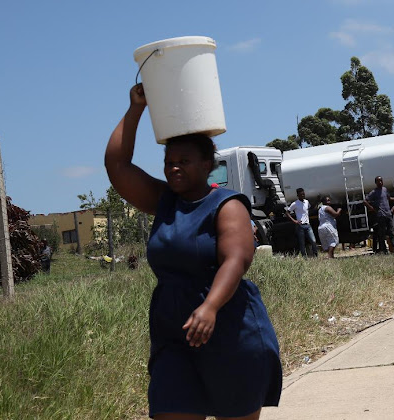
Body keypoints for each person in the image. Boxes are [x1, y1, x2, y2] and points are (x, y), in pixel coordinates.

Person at [105, 84, 281, 419]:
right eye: (169, 162)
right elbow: (117, 165)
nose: (173, 168)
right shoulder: (163, 201)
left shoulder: (226, 204)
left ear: (206, 165)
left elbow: (237, 259)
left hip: (229, 329)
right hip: (173, 333)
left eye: (183, 161)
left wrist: (210, 306)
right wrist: (135, 108)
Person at [364, 176, 394, 254]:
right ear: (376, 183)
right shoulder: (374, 192)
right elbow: (365, 201)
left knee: (391, 233)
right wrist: (371, 208)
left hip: (388, 214)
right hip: (381, 215)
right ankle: (384, 250)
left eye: (381, 181)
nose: (380, 182)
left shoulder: (385, 189)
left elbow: (388, 198)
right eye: (378, 181)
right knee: (382, 234)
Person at [286, 188, 318, 257]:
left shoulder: (306, 202)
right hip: (300, 225)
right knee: (302, 243)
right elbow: (287, 212)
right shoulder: (295, 204)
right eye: (301, 194)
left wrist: (317, 200)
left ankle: (315, 255)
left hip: (308, 225)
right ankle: (304, 257)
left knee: (313, 241)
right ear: (298, 195)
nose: (303, 195)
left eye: (303, 194)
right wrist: (294, 221)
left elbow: (310, 207)